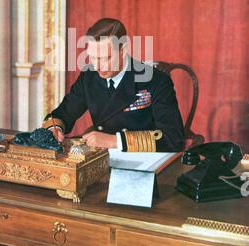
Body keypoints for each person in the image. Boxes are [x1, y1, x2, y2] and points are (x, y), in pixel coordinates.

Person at [43, 18, 184, 152]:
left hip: (141, 164)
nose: (97, 66)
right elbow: (64, 113)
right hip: (101, 161)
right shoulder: (89, 75)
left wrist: (114, 141)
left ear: (123, 51)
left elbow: (173, 138)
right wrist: (55, 130)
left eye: (105, 59)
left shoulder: (156, 81)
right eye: (92, 57)